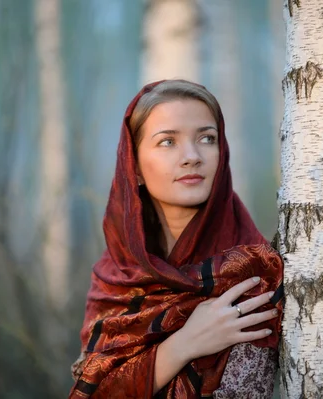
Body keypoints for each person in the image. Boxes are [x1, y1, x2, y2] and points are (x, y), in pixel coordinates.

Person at [69, 80, 284, 398]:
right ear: (135, 167)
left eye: (207, 138)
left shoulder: (252, 273)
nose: (191, 156)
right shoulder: (115, 275)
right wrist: (182, 345)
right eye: (167, 142)